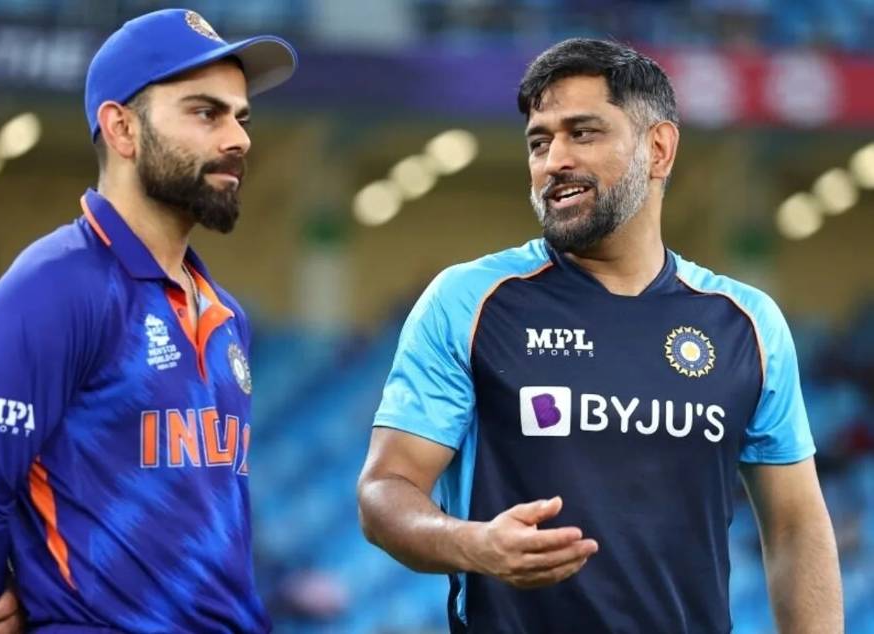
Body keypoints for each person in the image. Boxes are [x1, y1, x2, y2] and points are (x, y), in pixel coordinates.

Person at [357, 38, 843, 633]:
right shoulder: (469, 301)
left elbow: (795, 526)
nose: (553, 160)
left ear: (658, 149)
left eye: (582, 133)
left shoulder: (747, 324)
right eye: (539, 142)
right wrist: (472, 543)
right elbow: (385, 490)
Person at [0, 9, 296, 632]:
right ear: (122, 129)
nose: (239, 138)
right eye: (206, 113)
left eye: (242, 117)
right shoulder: (55, 287)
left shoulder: (227, 314)